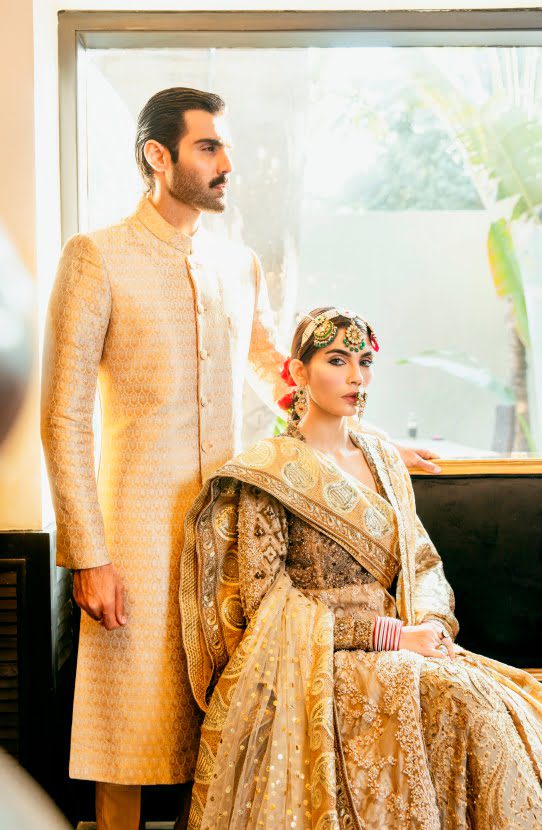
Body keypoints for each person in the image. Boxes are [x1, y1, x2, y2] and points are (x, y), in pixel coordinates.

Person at [40, 89, 436, 830]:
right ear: (158, 157)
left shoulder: (236, 262)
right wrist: (87, 555)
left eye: (225, 148)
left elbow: (270, 368)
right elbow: (63, 415)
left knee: (227, 727)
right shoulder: (96, 257)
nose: (228, 164)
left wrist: (370, 443)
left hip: (232, 533)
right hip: (132, 531)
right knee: (125, 734)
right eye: (208, 149)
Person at [180, 307, 542, 830]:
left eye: (365, 361)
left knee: (503, 709)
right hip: (321, 658)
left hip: (414, 641)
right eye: (338, 360)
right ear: (298, 373)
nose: (357, 377)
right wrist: (390, 636)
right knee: (463, 701)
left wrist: (434, 626)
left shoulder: (383, 459)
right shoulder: (269, 471)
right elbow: (269, 606)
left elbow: (421, 560)